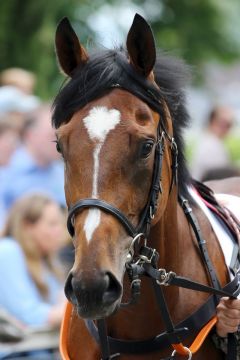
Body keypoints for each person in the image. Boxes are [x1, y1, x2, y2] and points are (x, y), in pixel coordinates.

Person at [0, 194, 67, 327]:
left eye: (60, 223)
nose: (60, 231)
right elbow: (29, 316)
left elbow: (60, 302)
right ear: (27, 227)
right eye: (52, 224)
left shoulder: (47, 260)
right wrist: (79, 309)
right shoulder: (7, 250)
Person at [1, 104, 65, 211]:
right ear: (30, 135)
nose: (60, 143)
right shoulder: (7, 170)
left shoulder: (63, 174)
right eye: (53, 136)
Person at [191, 106, 234, 181]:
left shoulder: (210, 141)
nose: (228, 128)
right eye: (225, 123)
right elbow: (219, 176)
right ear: (213, 121)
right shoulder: (211, 144)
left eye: (230, 124)